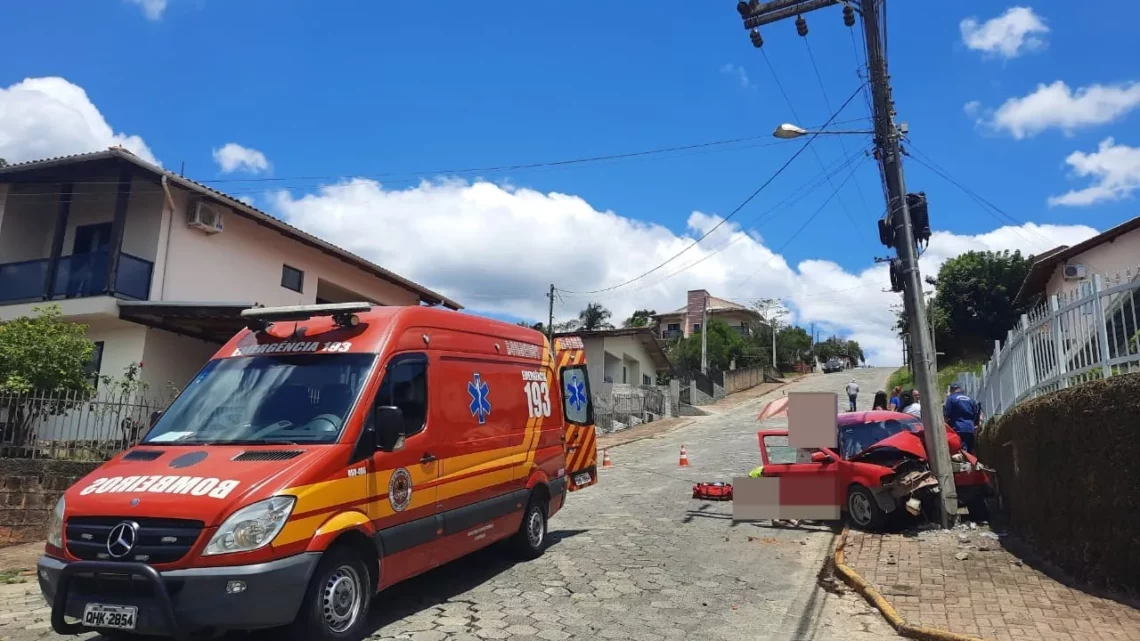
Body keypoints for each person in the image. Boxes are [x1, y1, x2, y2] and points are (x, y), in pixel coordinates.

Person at [943, 382, 981, 453]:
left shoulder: (951, 399)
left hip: (957, 428)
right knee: (970, 449)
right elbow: (976, 414)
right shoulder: (970, 399)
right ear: (960, 389)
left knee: (961, 451)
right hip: (970, 428)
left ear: (951, 390)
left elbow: (947, 414)